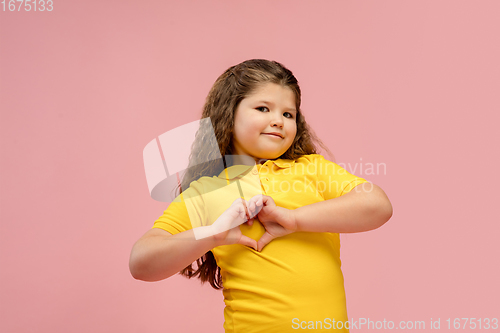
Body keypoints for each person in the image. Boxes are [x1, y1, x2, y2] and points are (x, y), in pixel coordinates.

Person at [129, 59, 393, 332]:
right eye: (263, 108)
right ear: (228, 114)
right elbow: (141, 262)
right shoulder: (206, 191)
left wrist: (294, 219)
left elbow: (378, 205)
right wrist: (213, 234)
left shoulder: (312, 169)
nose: (278, 121)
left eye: (288, 114)